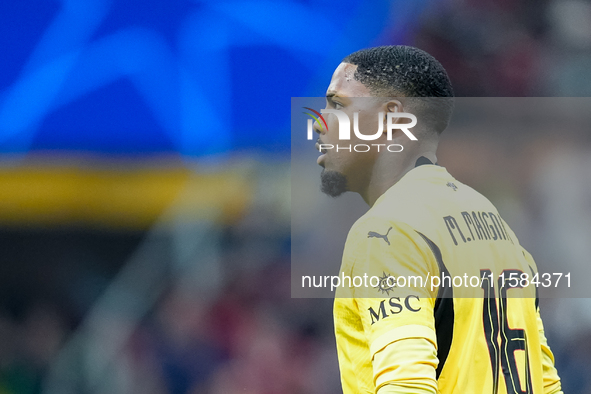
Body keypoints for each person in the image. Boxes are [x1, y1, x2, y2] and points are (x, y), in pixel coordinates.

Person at [313, 45, 562, 394]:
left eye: (337, 105)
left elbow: (407, 384)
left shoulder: (387, 230)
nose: (319, 122)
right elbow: (543, 381)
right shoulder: (494, 223)